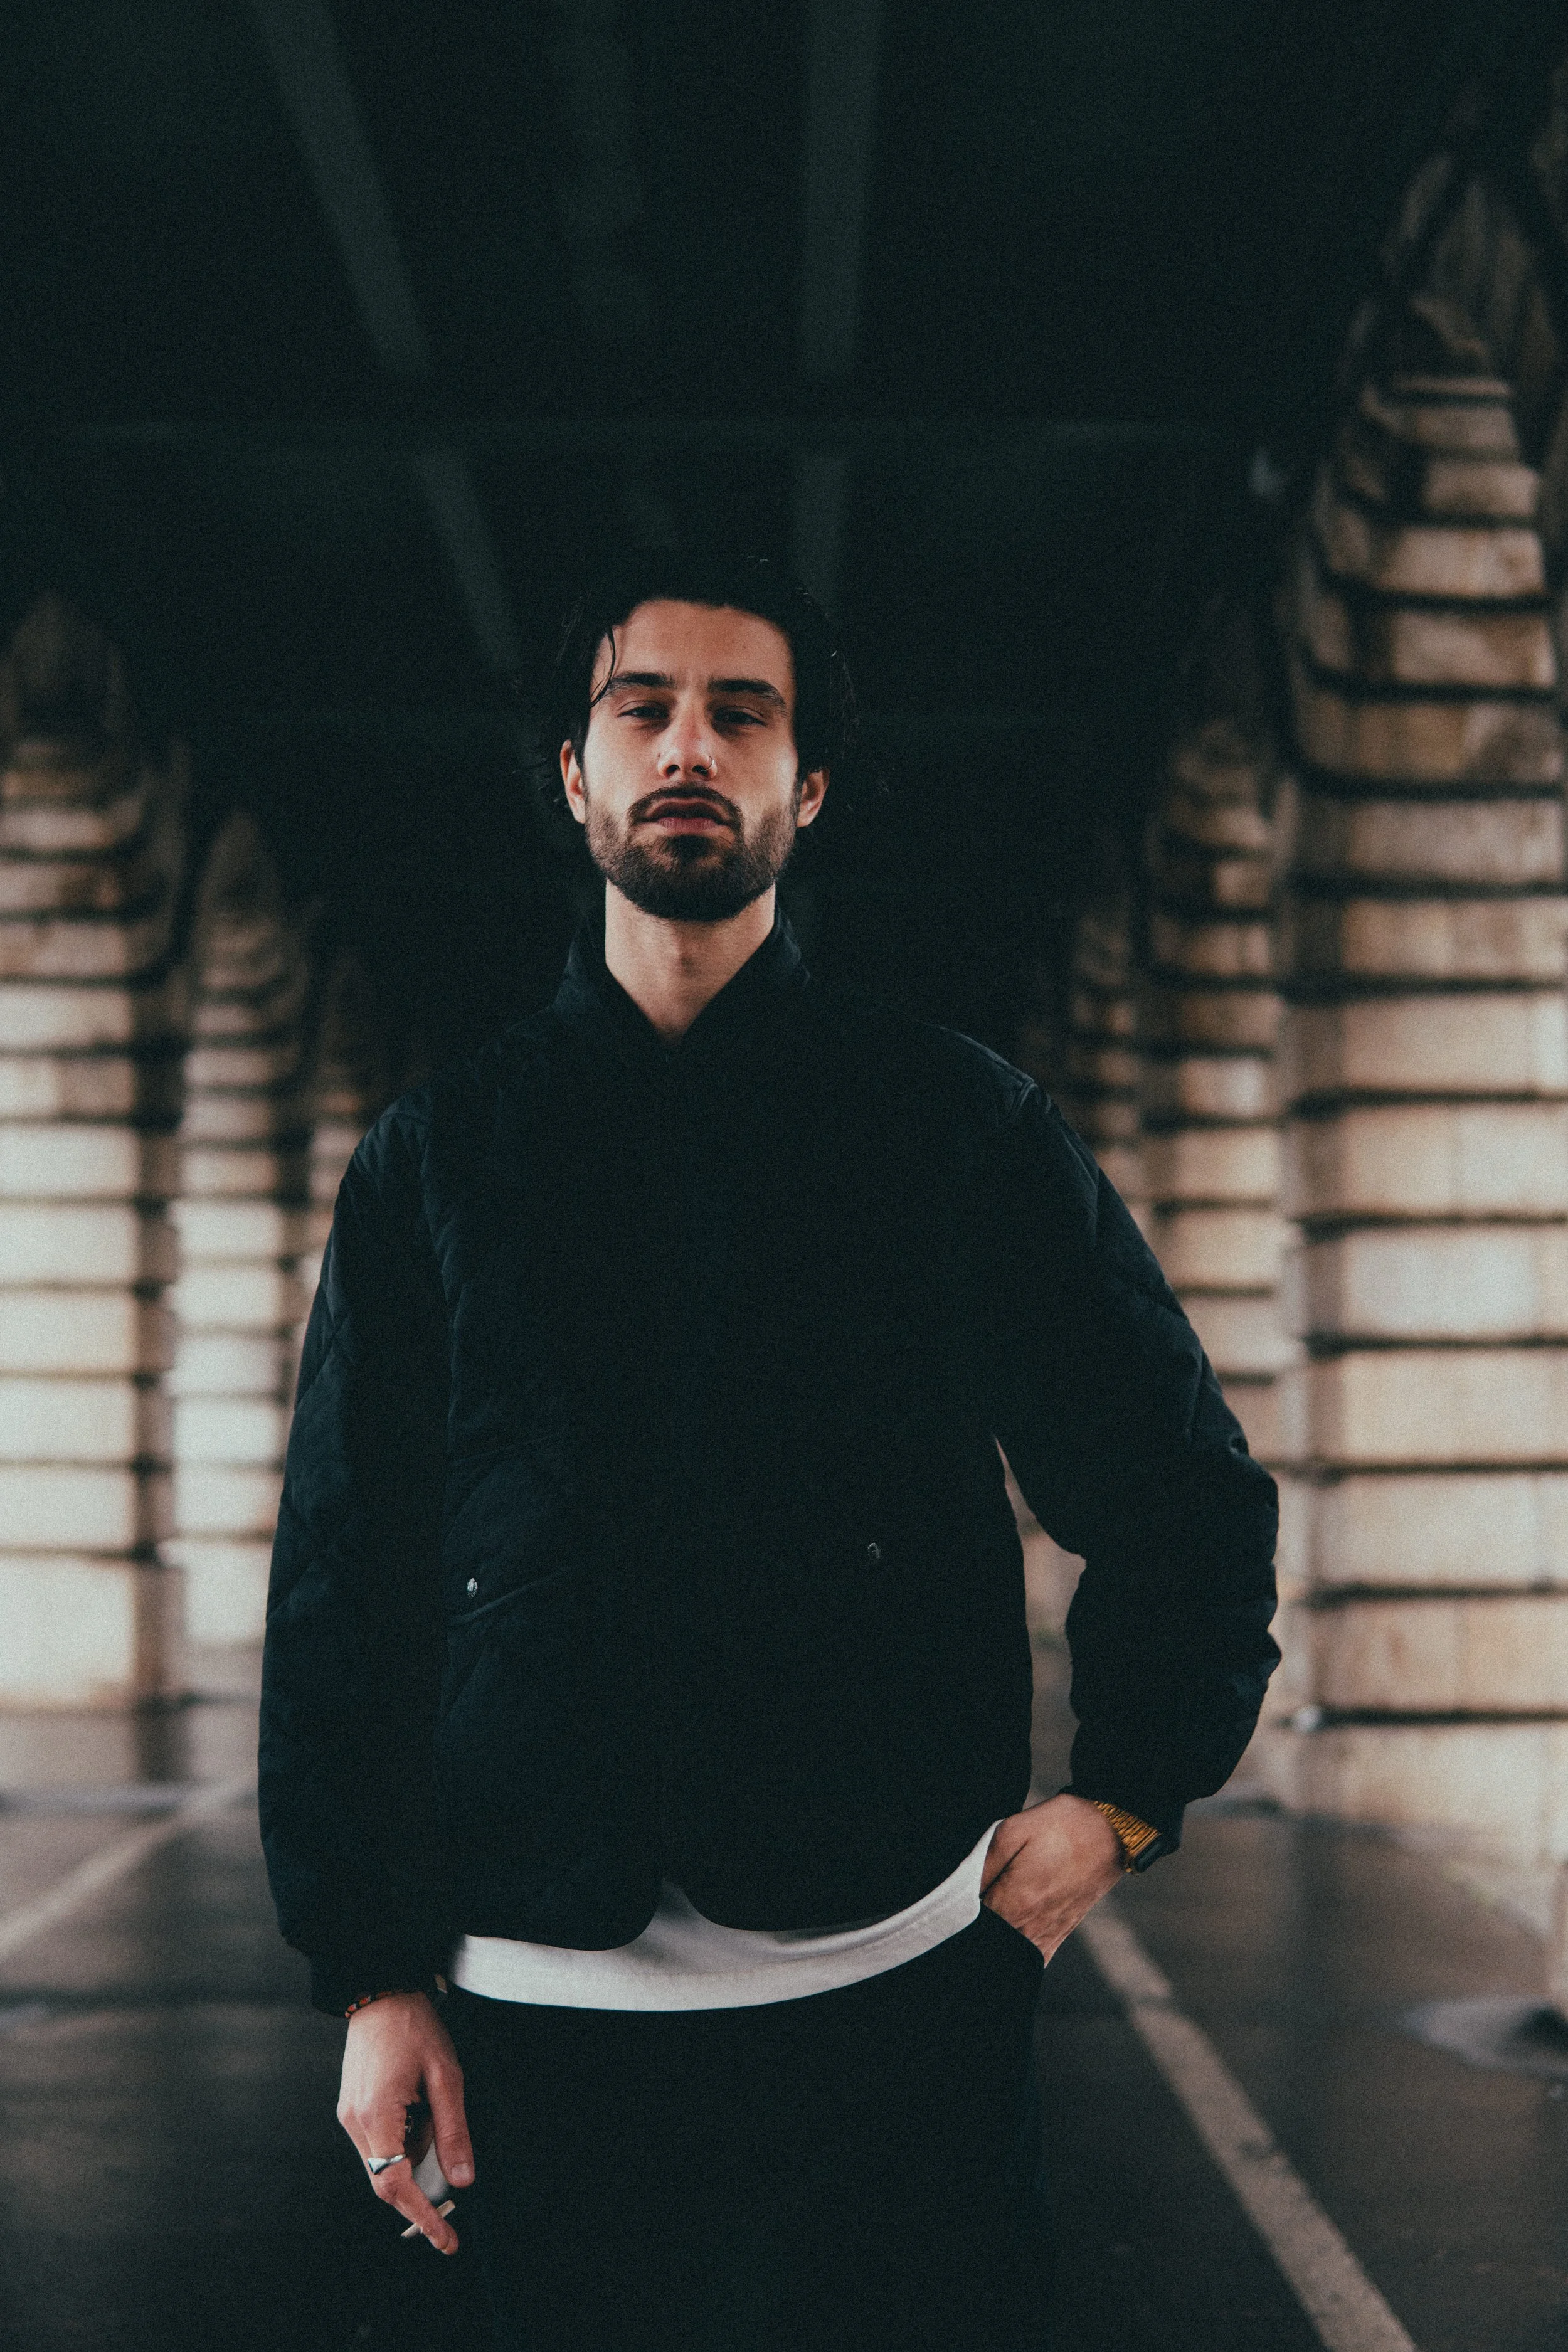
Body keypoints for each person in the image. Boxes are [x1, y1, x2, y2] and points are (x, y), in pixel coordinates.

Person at [259, 549, 1279, 2351]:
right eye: (641, 709)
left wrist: (1124, 1798)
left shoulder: (954, 1126)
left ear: (805, 790)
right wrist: (368, 1974)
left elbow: (1179, 1487)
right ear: (573, 773)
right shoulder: (439, 1159)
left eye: (743, 715)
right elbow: (348, 1578)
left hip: (890, 1993)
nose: (688, 748)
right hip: (530, 2010)